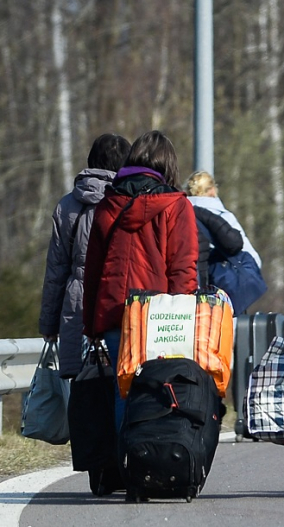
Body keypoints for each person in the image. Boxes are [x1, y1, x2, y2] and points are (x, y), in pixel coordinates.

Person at [80, 130, 197, 495]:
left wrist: (91, 325)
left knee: (122, 393)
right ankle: (158, 466)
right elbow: (183, 268)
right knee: (160, 392)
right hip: (160, 317)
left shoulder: (107, 205)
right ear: (167, 165)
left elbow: (93, 271)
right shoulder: (176, 206)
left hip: (116, 313)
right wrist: (185, 318)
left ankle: (131, 472)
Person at [39, 134, 131, 380]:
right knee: (124, 386)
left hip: (77, 305)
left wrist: (49, 325)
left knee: (83, 392)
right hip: (120, 300)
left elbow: (56, 271)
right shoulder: (131, 202)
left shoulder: (67, 205)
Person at [183, 171, 249, 288]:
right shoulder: (223, 216)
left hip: (191, 283)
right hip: (224, 284)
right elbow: (245, 250)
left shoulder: (180, 213)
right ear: (212, 190)